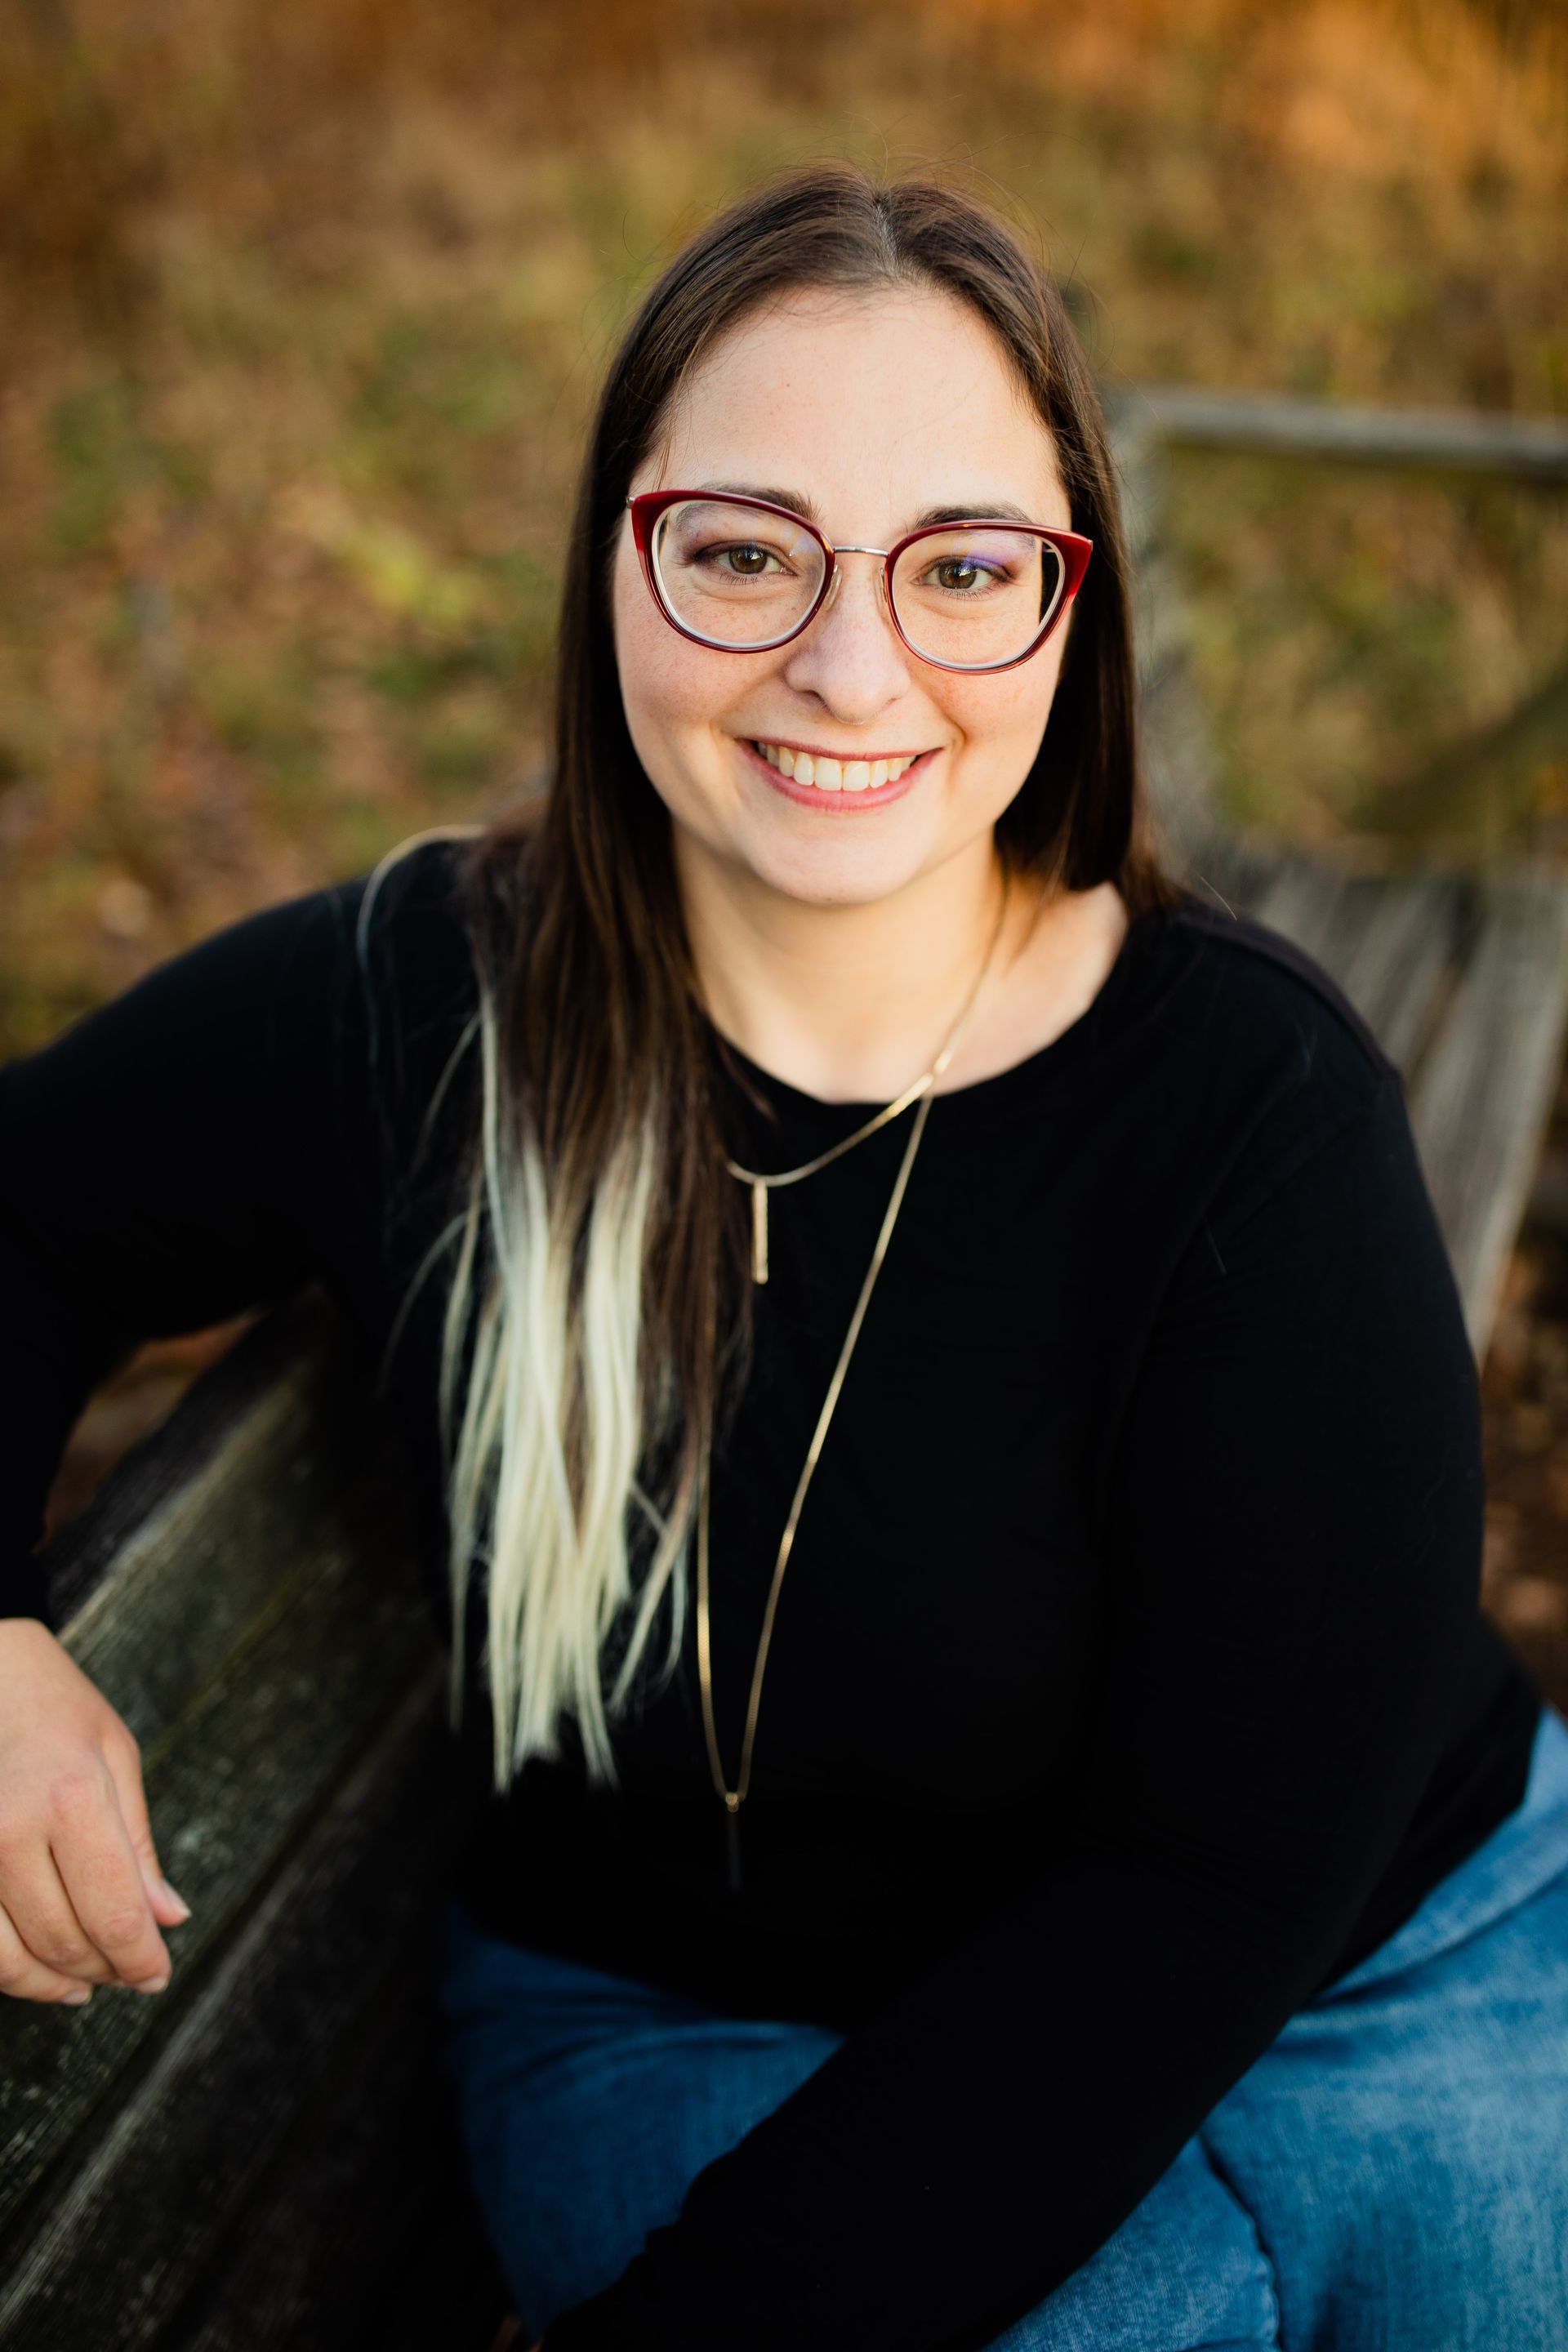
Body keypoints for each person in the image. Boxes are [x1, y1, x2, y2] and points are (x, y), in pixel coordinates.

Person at [1, 165, 1566, 2352]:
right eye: (742, 553)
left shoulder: (1252, 1121)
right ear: (616, 568)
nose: (849, 668)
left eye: (963, 569)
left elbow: (1209, 1885)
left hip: (1390, 1964)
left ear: (1071, 606)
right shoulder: (416, 1012)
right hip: (694, 2004)